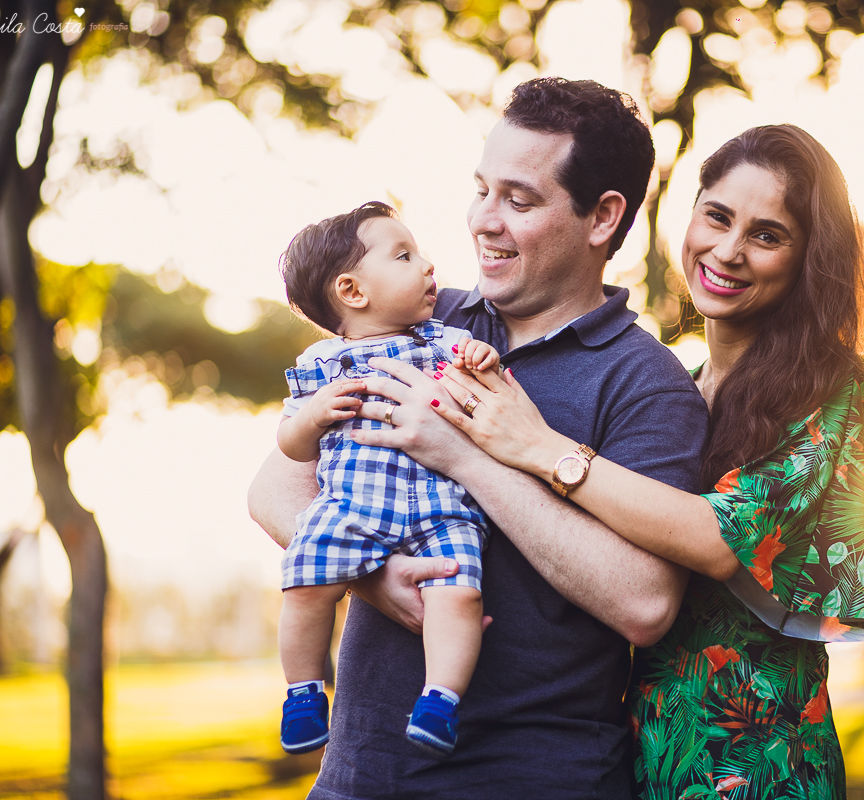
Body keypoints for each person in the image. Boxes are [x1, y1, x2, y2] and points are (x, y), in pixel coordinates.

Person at [247, 77, 709, 799]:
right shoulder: (421, 322)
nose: (482, 221)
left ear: (602, 217)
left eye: (518, 201)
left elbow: (645, 605)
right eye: (482, 189)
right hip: (360, 775)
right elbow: (274, 487)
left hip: (533, 780)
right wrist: (374, 577)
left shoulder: (645, 383)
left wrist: (467, 455)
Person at [428, 124, 864, 799]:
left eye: (767, 236)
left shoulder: (830, 385)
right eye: (717, 216)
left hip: (757, 765)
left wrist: (540, 448)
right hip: (643, 751)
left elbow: (718, 540)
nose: (728, 251)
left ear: (805, 259)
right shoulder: (679, 382)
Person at [272, 202, 503, 757]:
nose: (427, 266)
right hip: (353, 503)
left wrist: (481, 357)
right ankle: (303, 693)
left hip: (442, 507)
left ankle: (440, 700)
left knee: (460, 594)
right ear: (353, 292)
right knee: (304, 584)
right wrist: (312, 415)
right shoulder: (322, 363)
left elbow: (490, 389)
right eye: (404, 256)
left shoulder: (446, 340)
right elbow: (291, 444)